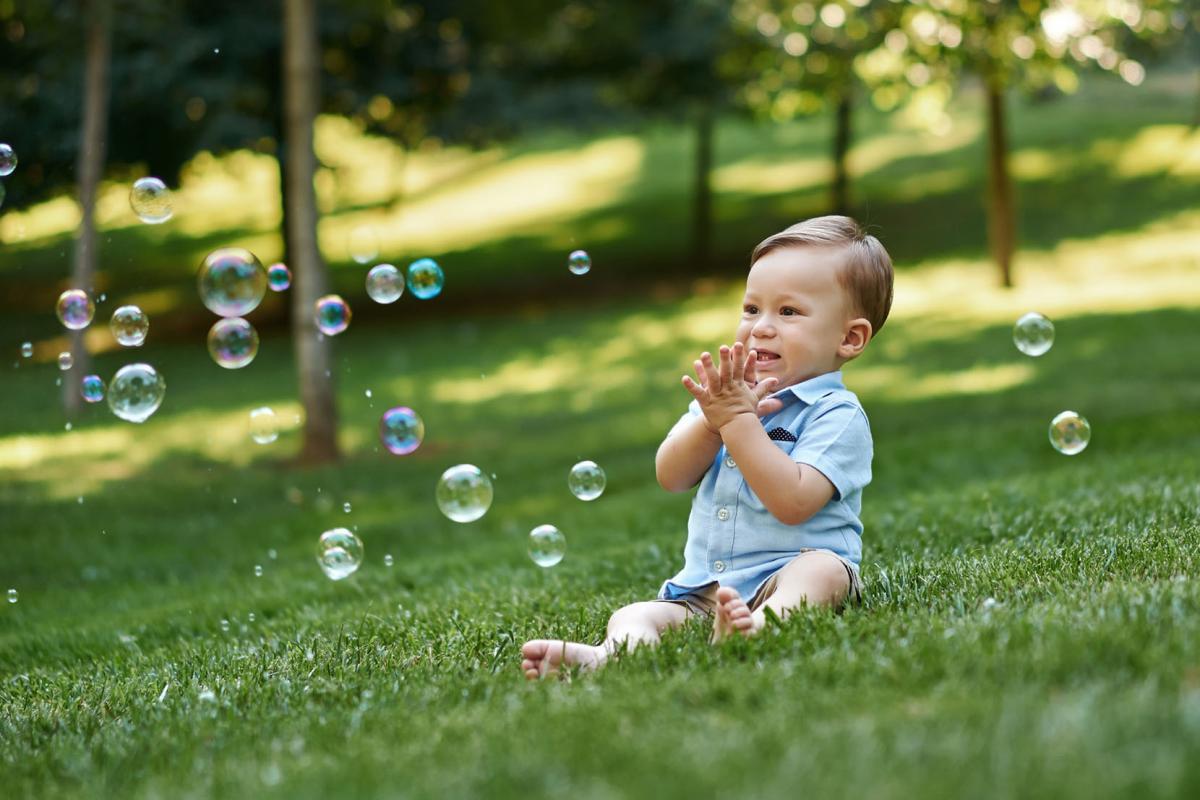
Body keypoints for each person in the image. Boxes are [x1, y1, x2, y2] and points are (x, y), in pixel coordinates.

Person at [521, 215, 894, 679]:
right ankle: (610, 655)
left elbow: (794, 502)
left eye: (789, 312)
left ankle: (759, 626)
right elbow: (670, 475)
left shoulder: (837, 416)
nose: (761, 328)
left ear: (849, 338)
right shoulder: (726, 395)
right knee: (636, 614)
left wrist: (738, 422)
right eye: (752, 309)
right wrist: (713, 423)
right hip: (705, 590)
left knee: (824, 574)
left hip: (790, 571)